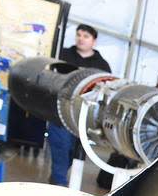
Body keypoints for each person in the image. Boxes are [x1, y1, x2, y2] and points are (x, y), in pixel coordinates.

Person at [48, 24, 112, 186]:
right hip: (59, 114)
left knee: (73, 152)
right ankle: (59, 183)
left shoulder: (102, 66)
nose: (81, 39)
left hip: (83, 119)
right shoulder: (62, 55)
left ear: (94, 41)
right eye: (79, 35)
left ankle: (57, 176)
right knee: (60, 146)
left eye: (86, 36)